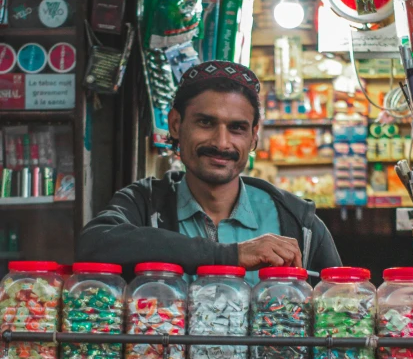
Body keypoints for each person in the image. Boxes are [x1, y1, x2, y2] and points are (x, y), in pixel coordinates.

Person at [77, 60, 341, 281]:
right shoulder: (144, 205)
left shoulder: (298, 224)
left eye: (237, 128)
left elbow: (341, 311)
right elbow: (93, 245)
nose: (221, 143)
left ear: (253, 137)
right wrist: (230, 255)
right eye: (205, 122)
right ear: (176, 124)